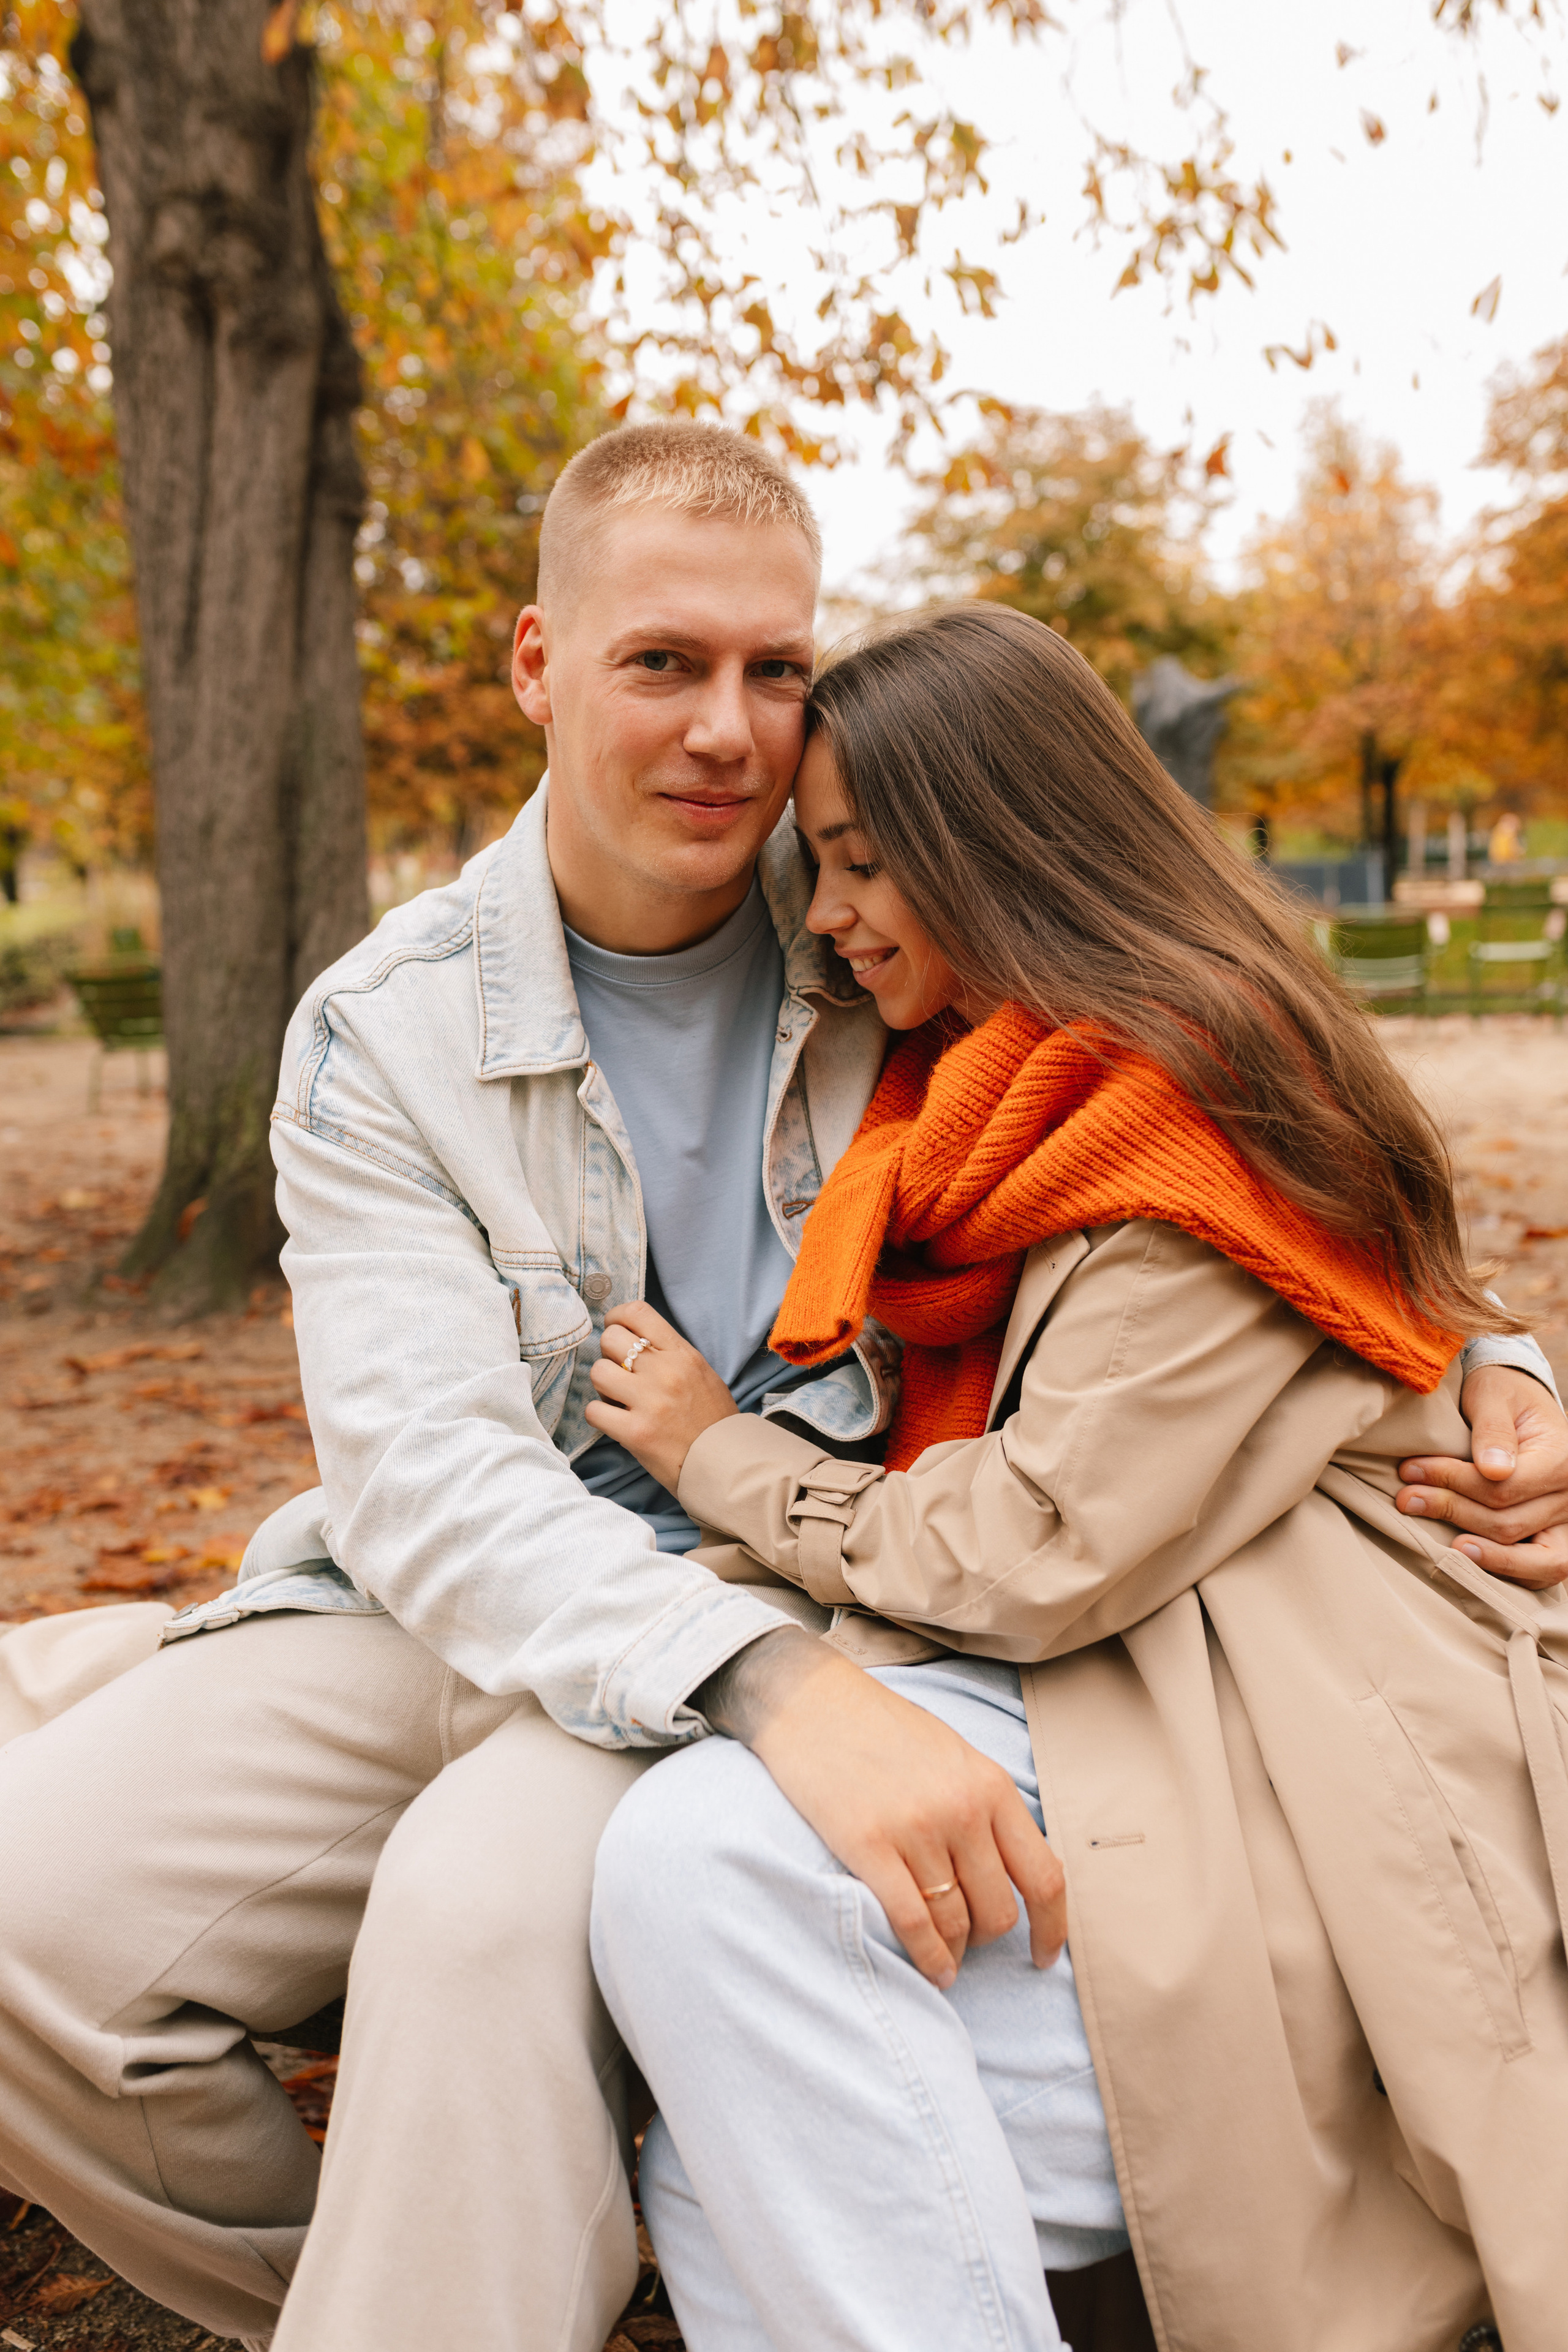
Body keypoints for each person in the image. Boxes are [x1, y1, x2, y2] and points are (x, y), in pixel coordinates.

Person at [0, 432, 1557, 2352]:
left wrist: (1490, 1361)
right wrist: (762, 1688)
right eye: (664, 663)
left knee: (484, 1929)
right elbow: (423, 1477)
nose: (729, 733)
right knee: (26, 1919)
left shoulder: (895, 910)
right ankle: (505, 2278)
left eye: (776, 670)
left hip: (820, 1582)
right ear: (535, 663)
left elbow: (1225, 1134)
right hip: (485, 1590)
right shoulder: (385, 1033)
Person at [587, 603, 1568, 2352]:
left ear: (1004, 851)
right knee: (722, 2159)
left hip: (1282, 1721)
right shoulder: (976, 1094)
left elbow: (1038, 1543)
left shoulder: (1183, 1108)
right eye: (823, 866)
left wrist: (720, 1459)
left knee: (713, 1929)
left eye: (868, 865)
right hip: (1120, 1684)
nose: (828, 917)